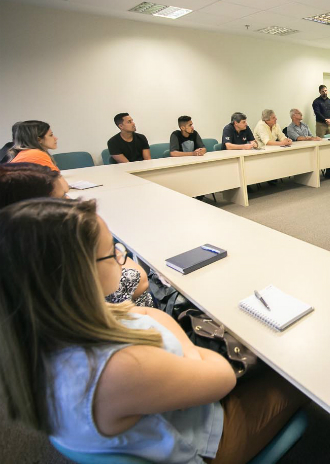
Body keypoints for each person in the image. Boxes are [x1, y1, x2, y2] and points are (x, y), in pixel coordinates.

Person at [0, 198, 306, 463]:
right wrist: (181, 342)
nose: (121, 256)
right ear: (78, 273)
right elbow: (223, 377)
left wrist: (157, 324)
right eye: (112, 253)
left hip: (159, 419)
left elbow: (138, 313)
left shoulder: (36, 332)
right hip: (208, 443)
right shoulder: (116, 367)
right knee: (300, 369)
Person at [0, 163, 152, 307]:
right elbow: (140, 280)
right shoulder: (50, 261)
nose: (70, 201)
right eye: (62, 197)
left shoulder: (20, 251)